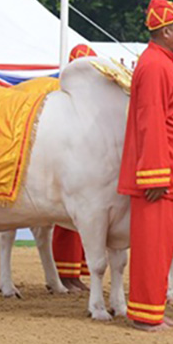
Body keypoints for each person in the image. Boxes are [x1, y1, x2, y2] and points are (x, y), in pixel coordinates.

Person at [117, 0, 173, 332]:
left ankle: (151, 309)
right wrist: (155, 174)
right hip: (162, 174)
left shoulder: (163, 62)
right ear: (166, 30)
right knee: (152, 247)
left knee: (161, 247)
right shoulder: (155, 65)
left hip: (172, 173)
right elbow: (150, 121)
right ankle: (144, 314)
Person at [52, 43, 98, 290]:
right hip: (68, 164)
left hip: (88, 165)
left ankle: (75, 273)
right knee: (66, 223)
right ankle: (64, 274)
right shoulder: (63, 98)